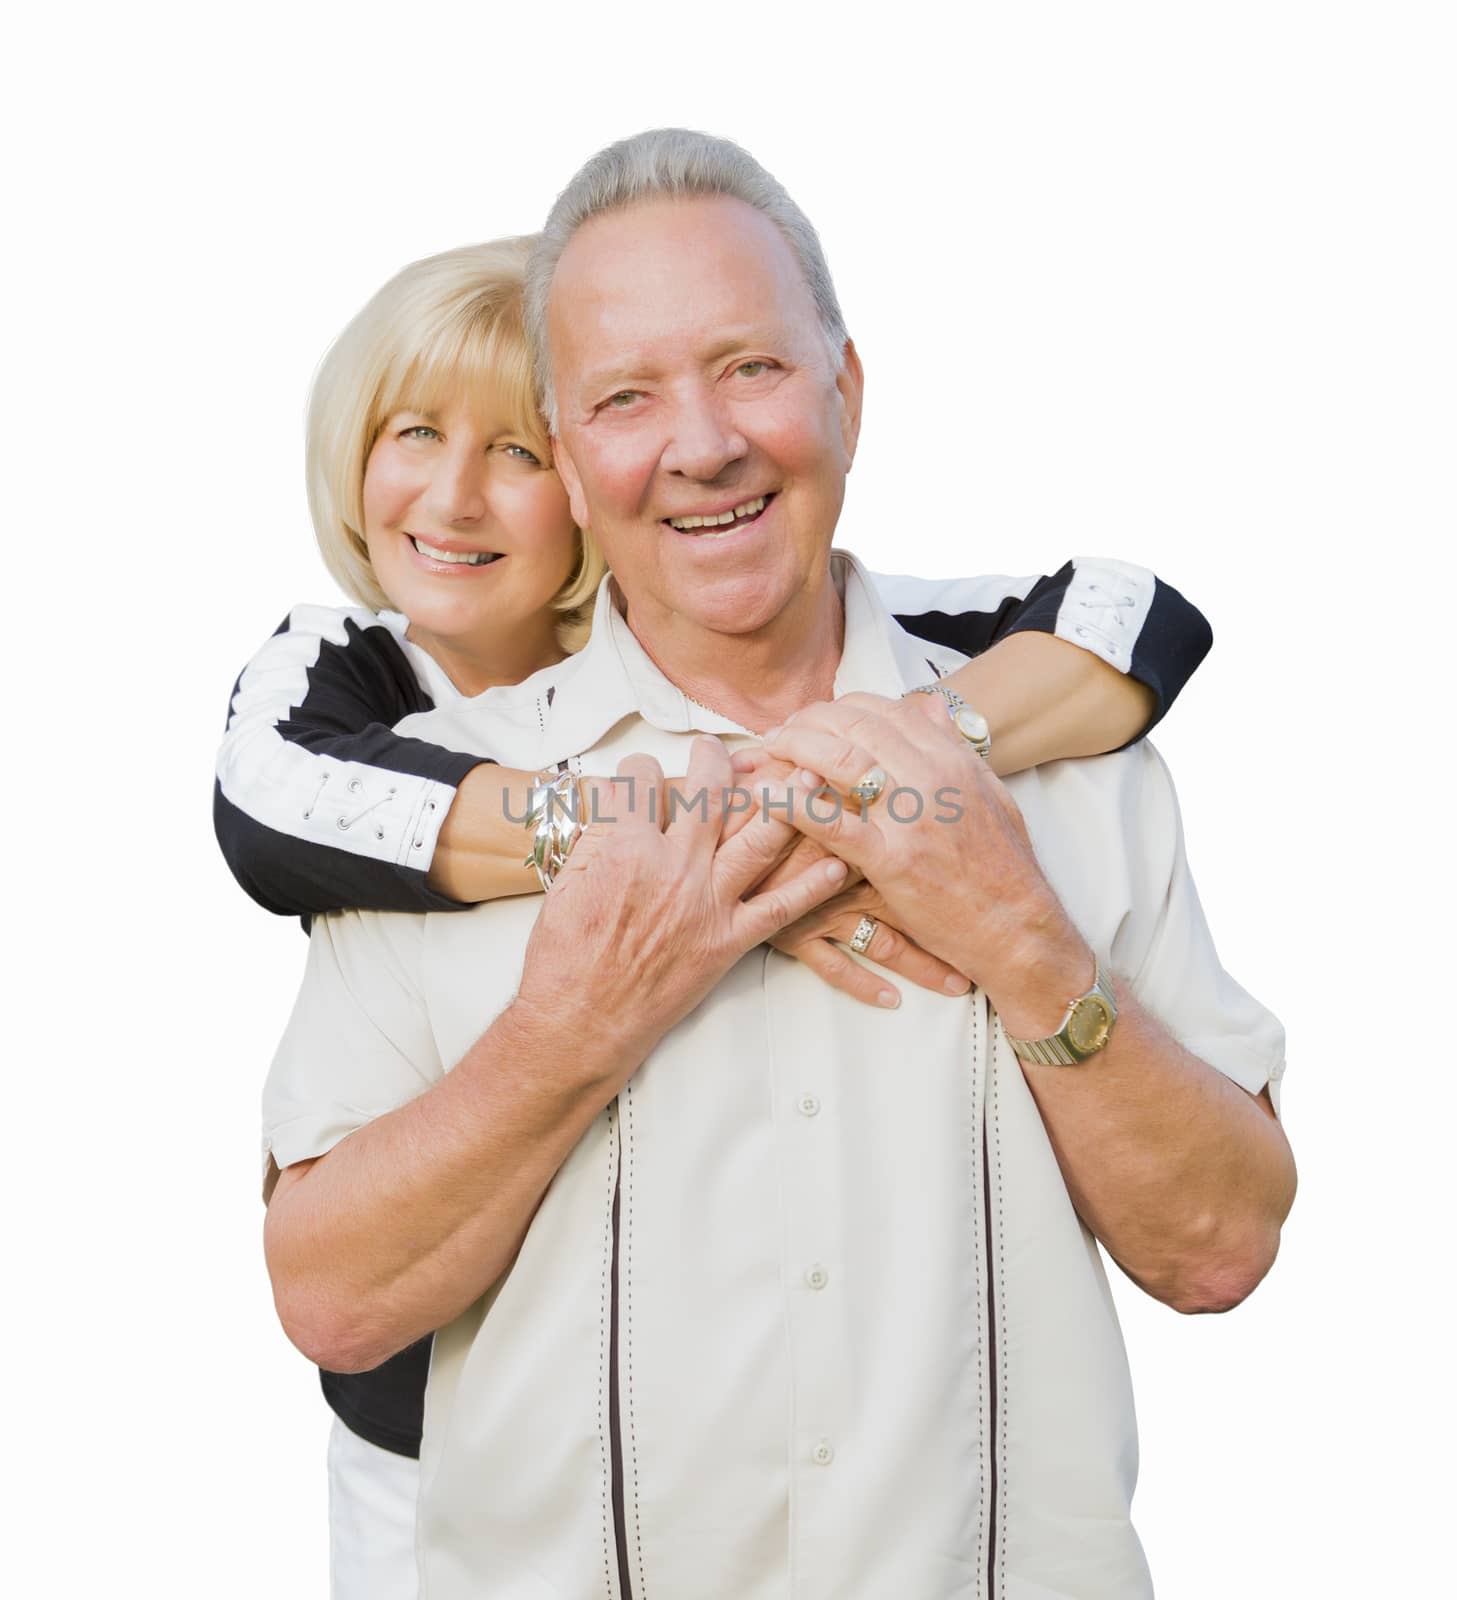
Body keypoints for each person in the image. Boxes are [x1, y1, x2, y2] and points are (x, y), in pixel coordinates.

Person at [254, 138, 1289, 1595]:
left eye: (748, 368)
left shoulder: (1075, 767)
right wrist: (579, 1023)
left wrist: (1025, 941)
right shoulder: (438, 818)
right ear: (567, 450)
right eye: (625, 397)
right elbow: (332, 1301)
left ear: (845, 395)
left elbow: (1220, 1249)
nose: (701, 444)